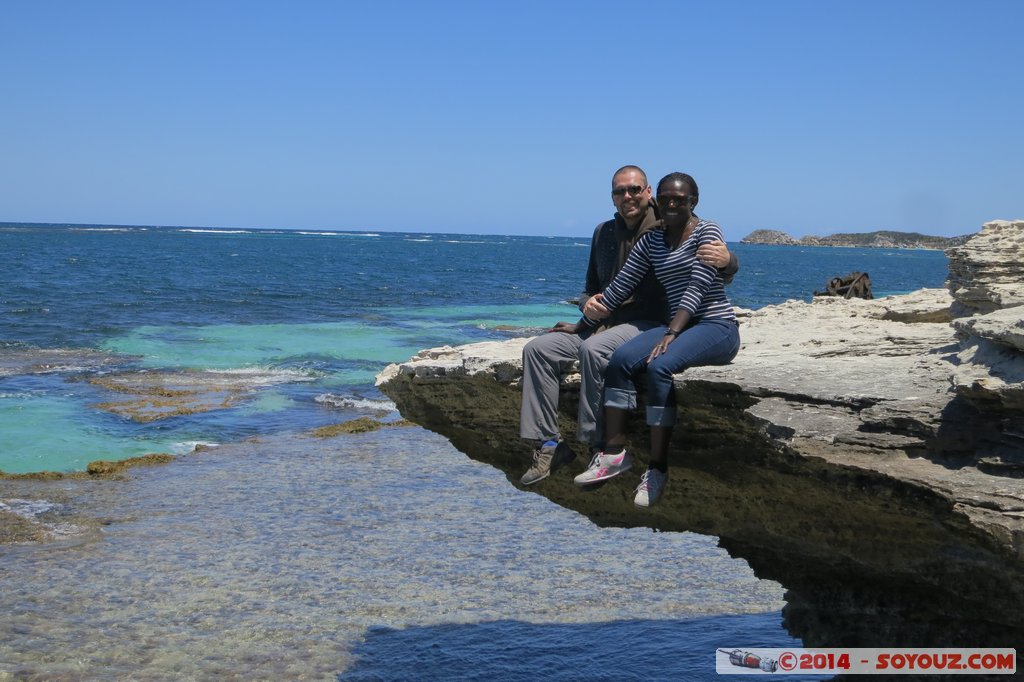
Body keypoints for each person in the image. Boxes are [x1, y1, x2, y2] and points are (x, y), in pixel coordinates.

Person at [518, 166, 738, 485]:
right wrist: (583, 314)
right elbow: (603, 287)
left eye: (635, 190)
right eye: (620, 192)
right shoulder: (607, 233)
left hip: (647, 323)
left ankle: (600, 447)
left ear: (648, 193)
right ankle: (549, 444)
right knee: (537, 349)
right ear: (612, 197)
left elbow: (708, 274)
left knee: (597, 352)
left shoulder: (665, 224)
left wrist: (730, 261)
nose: (628, 197)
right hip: (605, 321)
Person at [571, 172, 741, 507]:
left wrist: (672, 332)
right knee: (620, 359)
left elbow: (698, 287)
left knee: (659, 367)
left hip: (715, 326)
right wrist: (584, 322)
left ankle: (657, 467)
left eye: (681, 199)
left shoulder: (707, 232)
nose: (673, 204)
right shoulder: (652, 240)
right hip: (675, 327)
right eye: (666, 199)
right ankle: (615, 453)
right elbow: (621, 286)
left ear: (694, 201)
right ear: (656, 200)